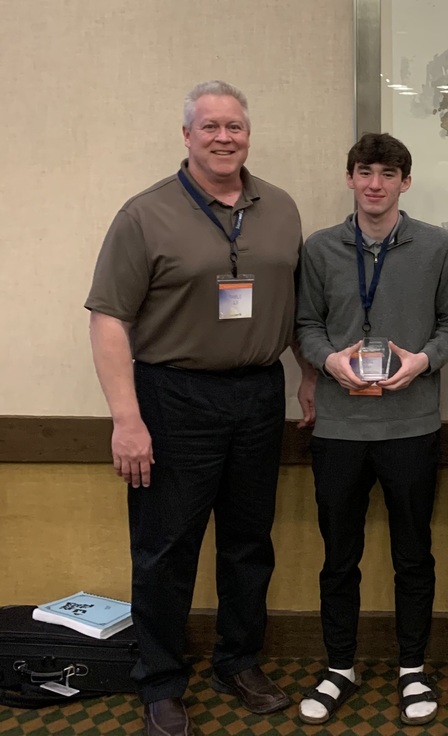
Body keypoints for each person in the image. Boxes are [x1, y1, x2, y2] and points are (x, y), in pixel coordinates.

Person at [85, 80, 316, 736]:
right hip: (172, 395)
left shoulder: (281, 208)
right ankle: (160, 680)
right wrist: (126, 418)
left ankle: (238, 661)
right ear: (186, 135)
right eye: (210, 126)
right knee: (166, 546)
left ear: (249, 134)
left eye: (235, 126)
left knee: (249, 541)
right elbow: (107, 319)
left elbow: (289, 300)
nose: (224, 137)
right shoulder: (144, 214)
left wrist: (306, 377)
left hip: (257, 393)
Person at [294, 132, 448, 727]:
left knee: (413, 555)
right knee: (339, 556)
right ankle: (340, 664)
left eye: (387, 174)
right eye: (364, 172)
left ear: (405, 183)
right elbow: (306, 324)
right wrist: (326, 360)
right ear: (350, 178)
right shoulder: (319, 249)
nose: (375, 184)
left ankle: (412, 667)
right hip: (339, 427)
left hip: (410, 425)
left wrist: (422, 361)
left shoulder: (439, 247)